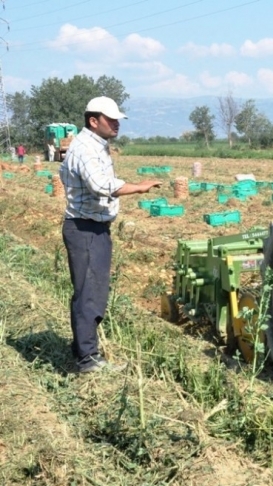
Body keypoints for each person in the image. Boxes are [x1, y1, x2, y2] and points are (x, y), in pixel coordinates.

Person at [60, 96, 162, 373]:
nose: (116, 124)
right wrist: (139, 187)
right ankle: (87, 359)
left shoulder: (96, 146)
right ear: (93, 121)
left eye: (117, 119)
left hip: (92, 227)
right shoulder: (85, 149)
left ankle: (83, 349)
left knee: (90, 291)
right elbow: (100, 185)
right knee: (89, 293)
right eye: (110, 119)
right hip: (85, 229)